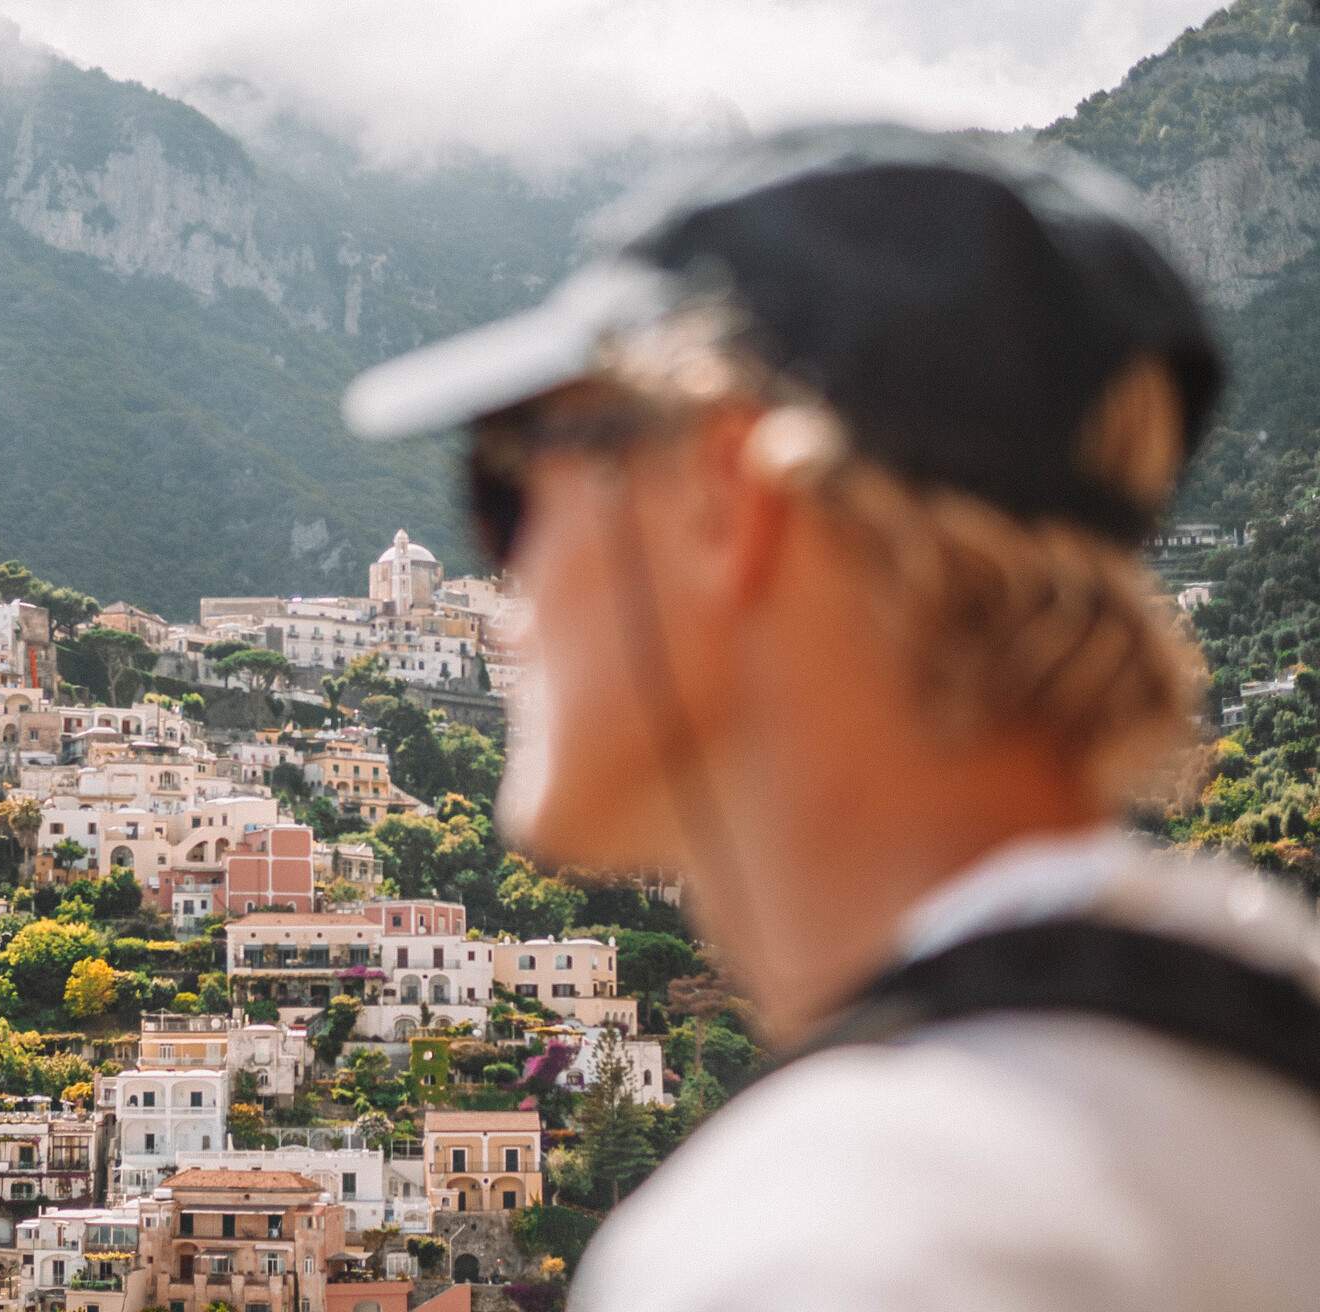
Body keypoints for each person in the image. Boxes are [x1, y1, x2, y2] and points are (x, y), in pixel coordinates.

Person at [343, 125, 1320, 1309]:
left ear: (725, 498)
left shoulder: (821, 1243)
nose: (504, 602)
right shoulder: (1257, 1076)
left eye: (509, 485)